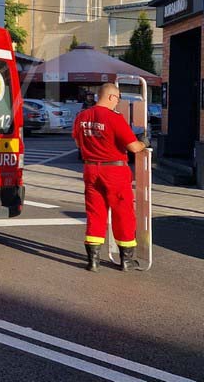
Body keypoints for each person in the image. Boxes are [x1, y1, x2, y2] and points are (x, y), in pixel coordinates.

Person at [73, 82, 146, 273]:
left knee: (95, 213)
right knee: (123, 213)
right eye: (118, 99)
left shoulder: (82, 116)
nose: (118, 103)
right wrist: (143, 142)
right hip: (114, 171)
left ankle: (93, 261)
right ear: (112, 97)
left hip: (91, 169)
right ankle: (126, 260)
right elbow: (133, 147)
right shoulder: (114, 118)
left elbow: (77, 141)